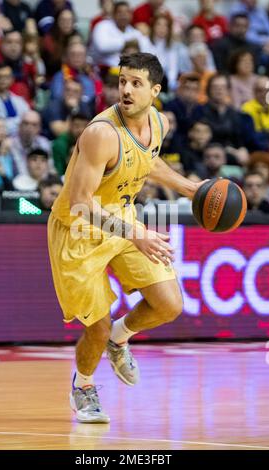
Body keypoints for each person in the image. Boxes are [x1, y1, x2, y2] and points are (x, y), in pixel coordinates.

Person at [47, 52, 205, 423]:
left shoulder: (157, 122)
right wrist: (137, 234)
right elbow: (82, 205)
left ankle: (121, 338)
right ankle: (83, 386)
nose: (127, 90)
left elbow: (147, 160)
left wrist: (188, 187)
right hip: (78, 232)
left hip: (122, 220)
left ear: (155, 90)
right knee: (96, 326)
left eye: (136, 83)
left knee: (168, 304)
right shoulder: (101, 134)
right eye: (122, 81)